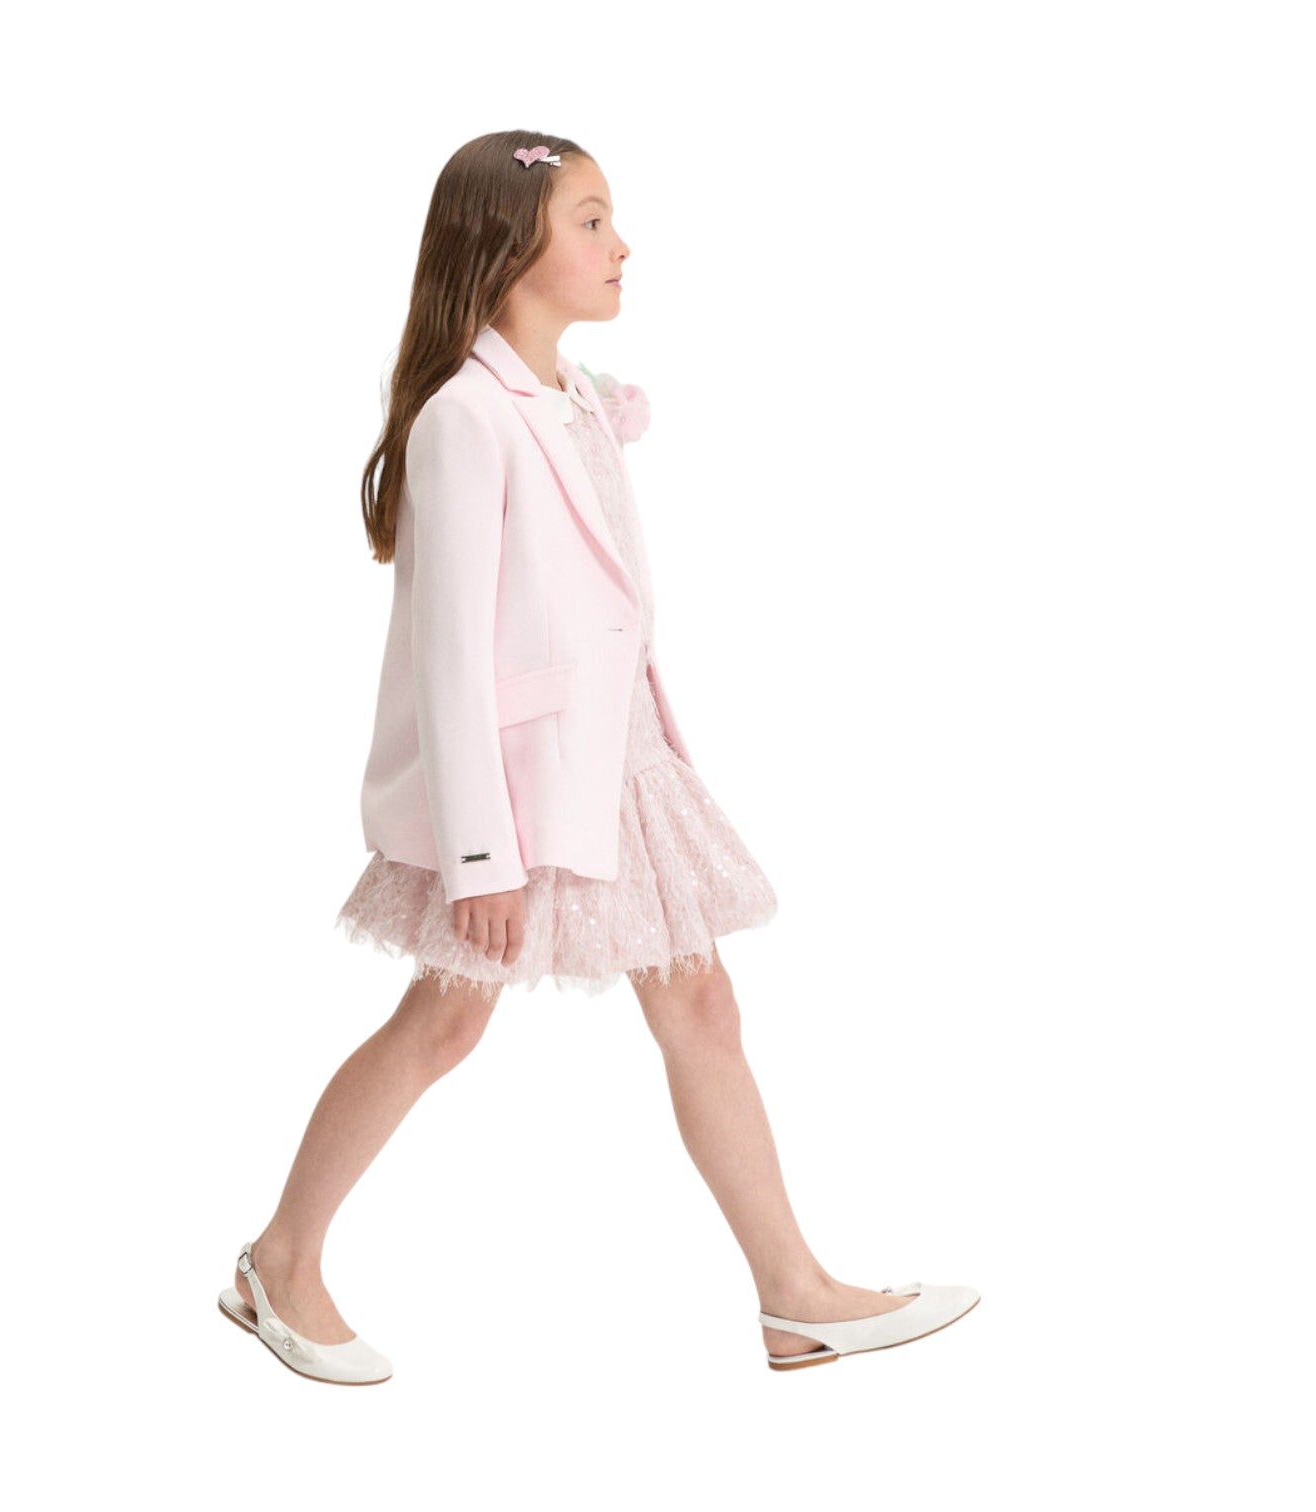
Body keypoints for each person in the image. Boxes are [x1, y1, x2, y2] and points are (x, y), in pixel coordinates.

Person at [217, 131, 980, 1385]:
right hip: (522, 792)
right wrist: (481, 857)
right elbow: (449, 658)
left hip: (620, 765)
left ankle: (793, 1295)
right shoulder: (467, 418)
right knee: (446, 1023)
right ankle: (281, 1261)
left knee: (701, 1003)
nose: (621, 244)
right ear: (508, 248)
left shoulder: (569, 398)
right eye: (590, 220)